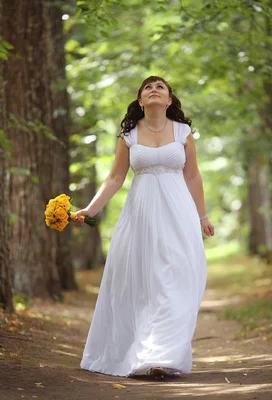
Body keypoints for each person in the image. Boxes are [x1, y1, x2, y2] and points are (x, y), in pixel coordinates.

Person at [74, 76, 214, 378]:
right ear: (140, 101)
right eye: (147, 88)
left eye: (160, 87)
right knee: (144, 281)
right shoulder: (129, 135)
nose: (153, 90)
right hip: (141, 216)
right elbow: (114, 179)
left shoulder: (183, 132)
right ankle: (143, 352)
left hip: (179, 215)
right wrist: (89, 209)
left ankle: (163, 356)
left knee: (174, 278)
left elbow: (192, 176)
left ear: (169, 100)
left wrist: (203, 217)